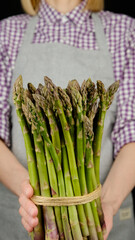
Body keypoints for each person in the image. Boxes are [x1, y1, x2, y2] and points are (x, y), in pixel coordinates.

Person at [0, 0, 135, 239]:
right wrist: (31, 192)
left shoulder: (125, 31)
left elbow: (132, 135)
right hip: (29, 219)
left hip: (99, 218)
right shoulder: (6, 33)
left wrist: (109, 203)